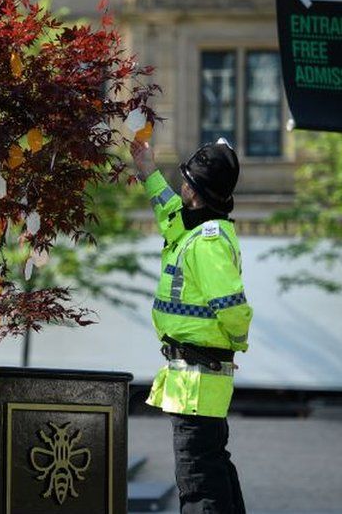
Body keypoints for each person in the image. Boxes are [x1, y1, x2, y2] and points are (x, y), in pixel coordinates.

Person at [129, 137, 253, 514]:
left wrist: (232, 344)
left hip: (198, 377)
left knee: (198, 479)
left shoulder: (206, 242)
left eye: (186, 181)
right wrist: (146, 168)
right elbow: (167, 211)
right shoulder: (193, 228)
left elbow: (234, 309)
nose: (180, 185)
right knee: (213, 467)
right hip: (196, 377)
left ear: (197, 193)